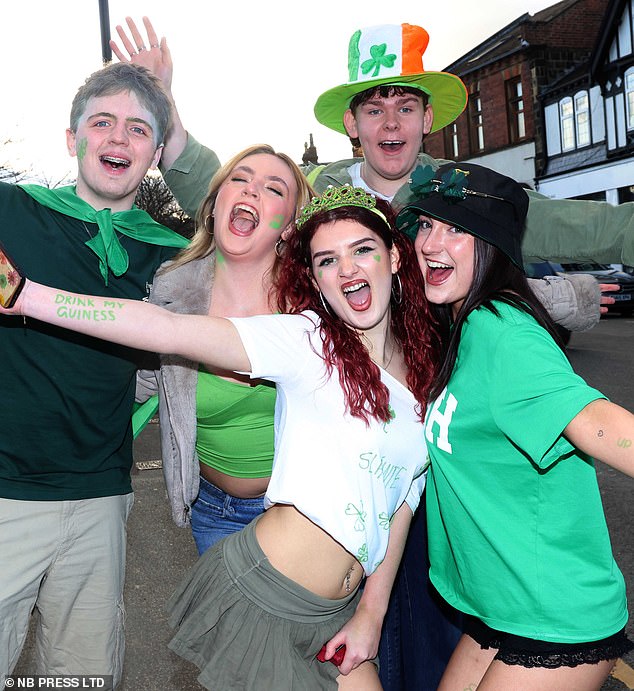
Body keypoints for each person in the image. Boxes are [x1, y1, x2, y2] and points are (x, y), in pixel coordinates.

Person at [109, 16, 617, 689]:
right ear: (351, 121)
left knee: (419, 631)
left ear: (426, 116)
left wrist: (573, 296)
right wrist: (165, 112)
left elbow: (510, 267)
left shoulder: (455, 193)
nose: (390, 122)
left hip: (413, 470)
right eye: (374, 106)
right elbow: (230, 184)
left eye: (405, 105)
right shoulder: (321, 194)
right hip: (308, 493)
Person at [0, 186, 440, 690]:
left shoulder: (422, 373)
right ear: (316, 280)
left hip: (339, 611)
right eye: (326, 260)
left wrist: (372, 613)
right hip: (266, 599)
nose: (347, 270)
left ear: (396, 257)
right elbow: (165, 329)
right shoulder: (308, 342)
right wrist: (26, 297)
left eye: (362, 249)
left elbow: (403, 498)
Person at [396, 162, 634, 690]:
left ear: (494, 245)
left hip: (554, 613)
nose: (433, 243)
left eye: (458, 229)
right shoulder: (463, 322)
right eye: (428, 224)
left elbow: (593, 422)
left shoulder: (504, 333)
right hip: (501, 605)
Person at [0, 62, 189, 688]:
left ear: (157, 153)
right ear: (71, 138)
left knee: (78, 678)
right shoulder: (12, 210)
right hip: (3, 496)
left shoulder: (170, 256)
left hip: (101, 501)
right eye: (101, 122)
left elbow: (266, 224)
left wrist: (180, 123)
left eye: (138, 129)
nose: (117, 139)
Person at [134, 144, 312, 549]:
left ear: (288, 226)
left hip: (302, 509)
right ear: (215, 205)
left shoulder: (313, 300)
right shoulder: (169, 292)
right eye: (240, 179)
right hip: (213, 512)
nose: (251, 191)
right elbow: (135, 385)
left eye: (273, 189)